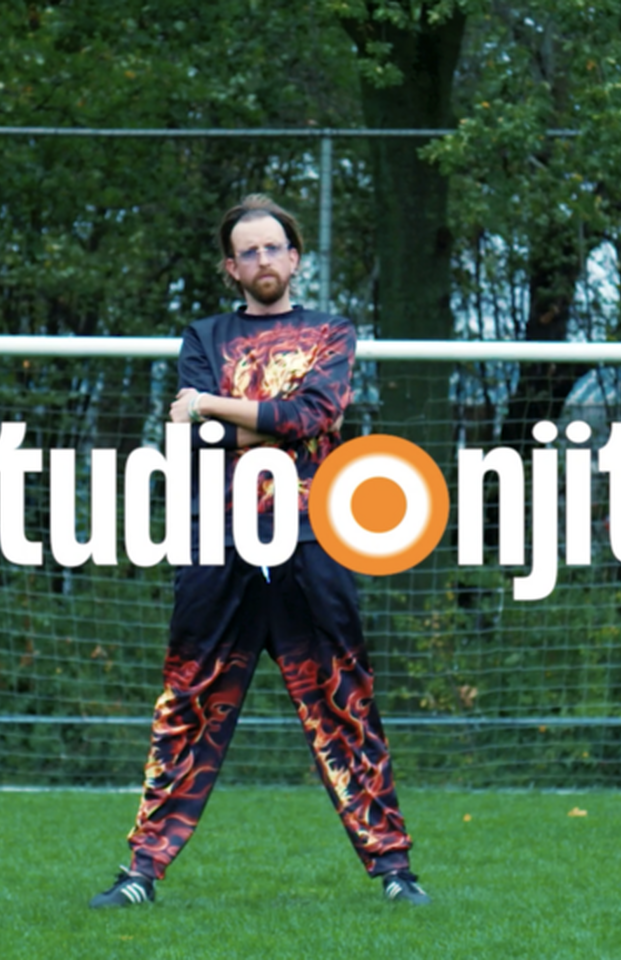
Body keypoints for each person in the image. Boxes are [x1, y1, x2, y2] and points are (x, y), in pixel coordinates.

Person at [89, 194, 428, 908]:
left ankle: (395, 870)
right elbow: (195, 437)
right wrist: (267, 425)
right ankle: (141, 871)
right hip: (219, 543)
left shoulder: (332, 331)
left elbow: (316, 415)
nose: (263, 259)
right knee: (188, 701)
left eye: (274, 247)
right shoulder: (204, 337)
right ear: (230, 268)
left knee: (345, 703)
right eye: (249, 251)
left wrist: (214, 406)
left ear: (294, 258)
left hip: (312, 542)